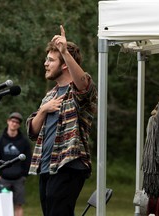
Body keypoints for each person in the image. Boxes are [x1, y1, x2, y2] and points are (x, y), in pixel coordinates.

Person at [26, 25, 97, 216]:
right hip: (47, 166)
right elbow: (32, 131)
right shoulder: (50, 96)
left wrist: (65, 51)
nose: (45, 63)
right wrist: (43, 111)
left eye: (50, 60)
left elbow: (85, 86)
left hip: (69, 164)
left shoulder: (78, 91)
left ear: (64, 64)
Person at [0, 112, 32, 216]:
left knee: (18, 205)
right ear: (8, 122)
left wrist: (24, 175)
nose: (14, 124)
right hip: (4, 178)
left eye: (17, 122)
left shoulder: (24, 142)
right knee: (3, 204)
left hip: (19, 179)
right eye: (12, 121)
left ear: (19, 125)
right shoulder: (0, 141)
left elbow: (28, 159)